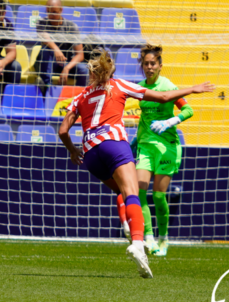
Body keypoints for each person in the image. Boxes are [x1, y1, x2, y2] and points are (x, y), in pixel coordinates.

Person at [58, 50, 214, 279]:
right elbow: (162, 97)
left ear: (91, 74)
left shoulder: (80, 96)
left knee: (122, 192)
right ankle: (138, 243)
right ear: (110, 71)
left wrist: (73, 150)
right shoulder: (119, 85)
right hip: (113, 144)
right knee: (133, 193)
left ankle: (126, 224)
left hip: (90, 153)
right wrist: (193, 89)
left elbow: (62, 130)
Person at [134, 44, 197, 256]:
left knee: (159, 196)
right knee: (139, 193)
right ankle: (149, 238)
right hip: (146, 147)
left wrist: (171, 121)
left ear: (161, 66)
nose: (149, 67)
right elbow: (144, 119)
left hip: (167, 147)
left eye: (153, 63)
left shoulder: (167, 86)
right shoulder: (140, 88)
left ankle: (164, 239)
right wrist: (135, 141)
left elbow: (188, 109)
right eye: (146, 64)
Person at [37, 0, 87, 90]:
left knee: (85, 70)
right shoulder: (41, 22)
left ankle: (77, 97)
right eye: (49, 11)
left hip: (65, 63)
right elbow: (44, 37)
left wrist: (67, 68)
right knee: (45, 50)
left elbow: (80, 55)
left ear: (61, 10)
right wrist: (56, 50)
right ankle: (48, 89)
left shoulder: (71, 26)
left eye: (54, 12)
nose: (51, 15)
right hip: (48, 63)